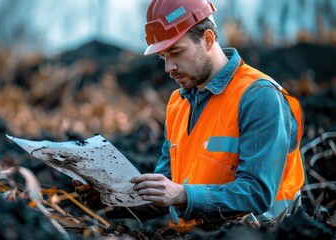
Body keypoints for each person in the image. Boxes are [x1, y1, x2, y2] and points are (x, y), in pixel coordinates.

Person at [73, 0, 305, 231]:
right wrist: (108, 200)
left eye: (176, 52)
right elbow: (165, 195)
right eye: (163, 56)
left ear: (207, 40)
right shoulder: (178, 103)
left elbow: (257, 193)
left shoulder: (258, 96)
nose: (168, 67)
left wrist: (183, 195)